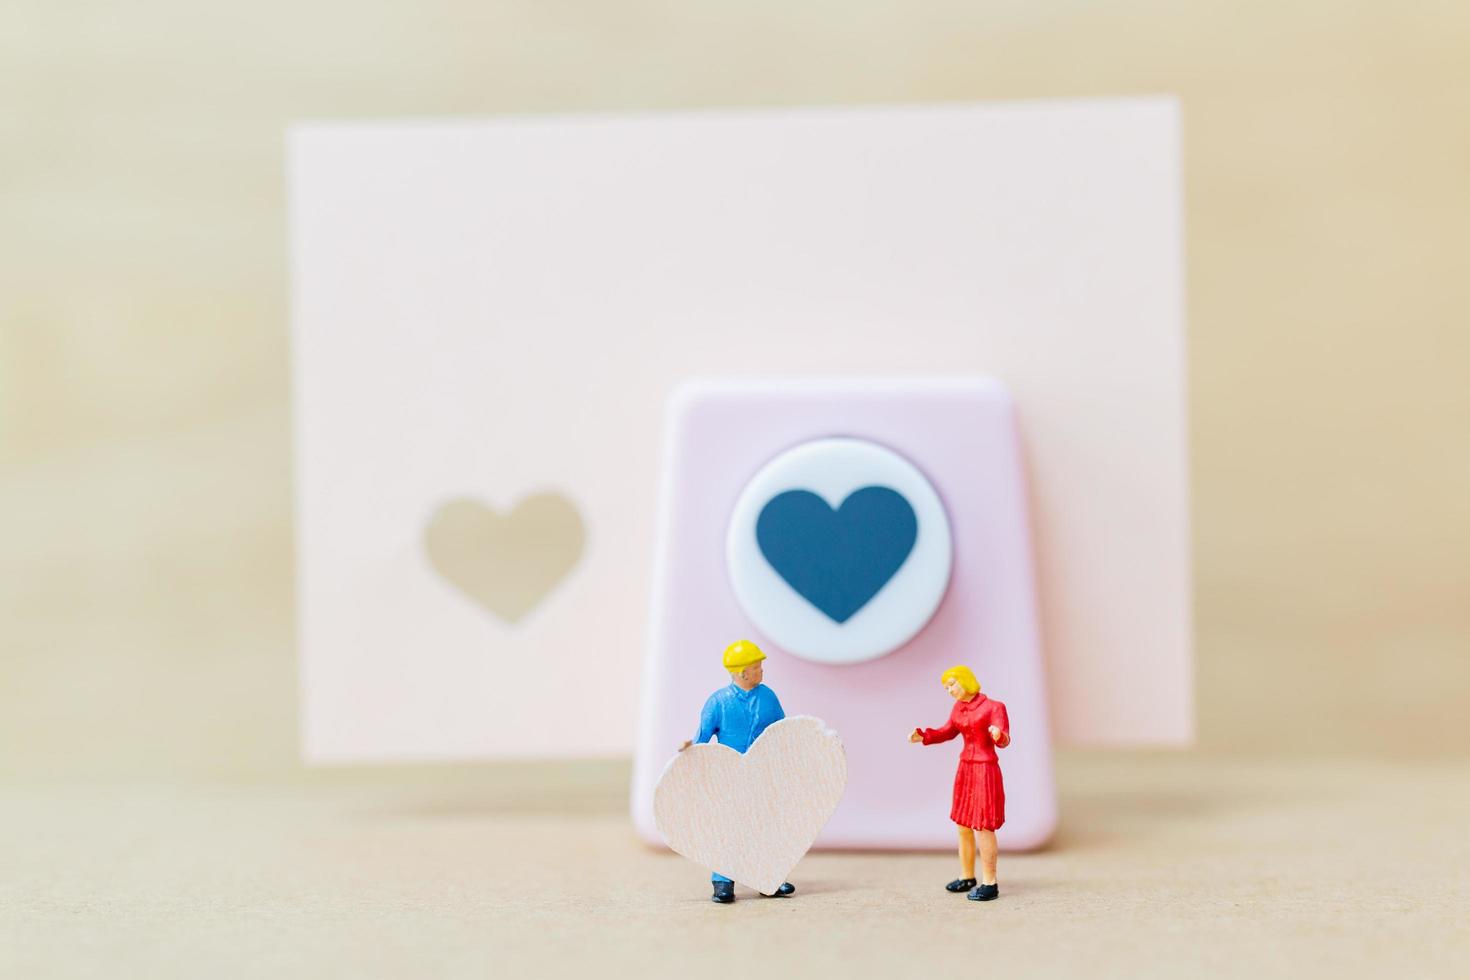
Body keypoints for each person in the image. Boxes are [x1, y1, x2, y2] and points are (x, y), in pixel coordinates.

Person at [678, 639, 796, 904]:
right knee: (730, 827)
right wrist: (690, 750)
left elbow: (782, 730)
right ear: (742, 672)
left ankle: (769, 877)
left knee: (766, 825)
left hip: (762, 772)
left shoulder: (768, 696)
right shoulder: (718, 702)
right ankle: (723, 881)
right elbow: (702, 738)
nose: (762, 671)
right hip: (729, 773)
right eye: (757, 667)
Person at [909, 665, 1011, 902]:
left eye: (952, 684)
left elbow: (1005, 738)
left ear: (965, 681)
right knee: (963, 825)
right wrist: (925, 735)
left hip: (984, 769)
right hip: (965, 768)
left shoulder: (994, 707)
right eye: (946, 688)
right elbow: (947, 731)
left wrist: (998, 734)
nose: (949, 691)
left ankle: (990, 882)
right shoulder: (958, 709)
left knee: (983, 826)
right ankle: (967, 876)